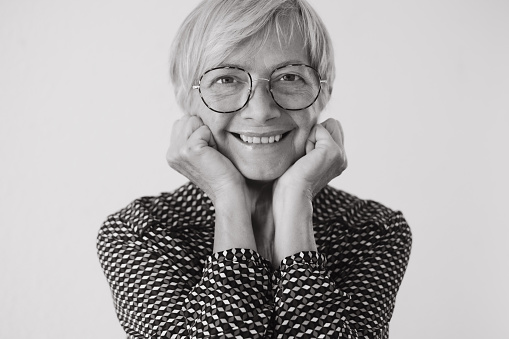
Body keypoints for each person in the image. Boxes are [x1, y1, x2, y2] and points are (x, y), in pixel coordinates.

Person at [96, 0, 412, 338]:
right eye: (227, 79)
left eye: (290, 76)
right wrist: (227, 195)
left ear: (324, 92)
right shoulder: (140, 233)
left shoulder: (371, 230)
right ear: (185, 98)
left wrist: (296, 201)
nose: (260, 111)